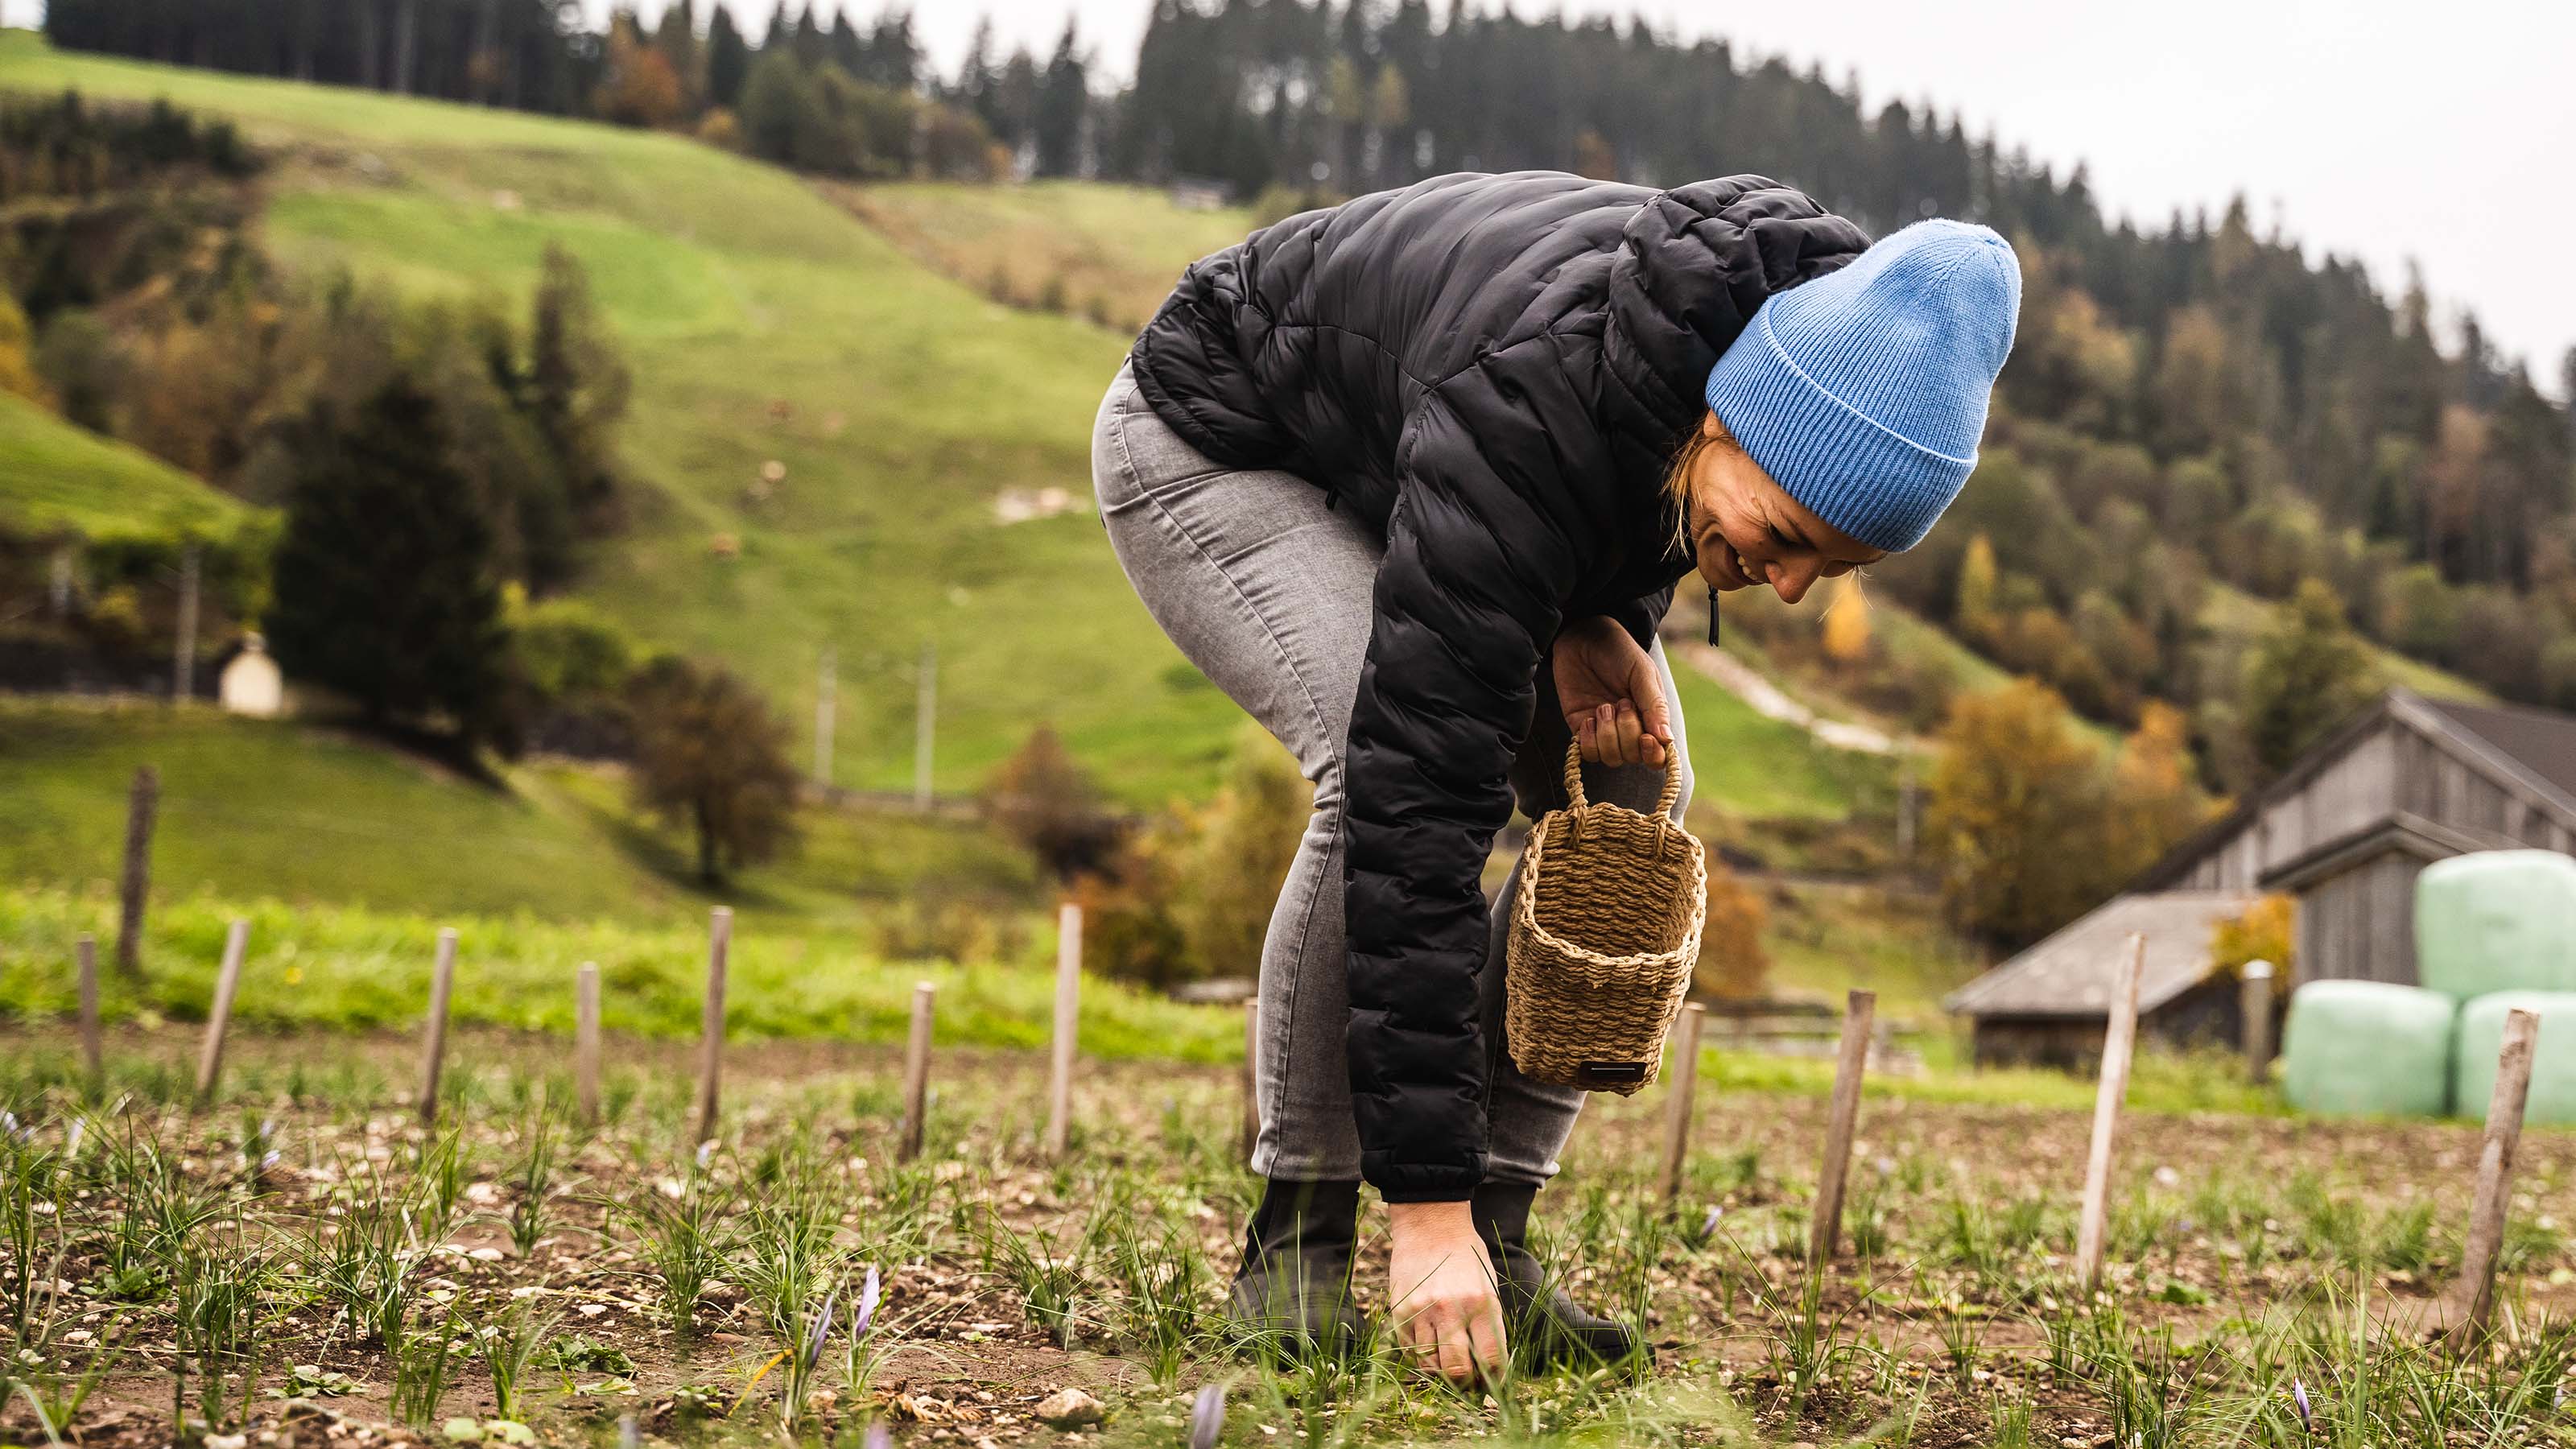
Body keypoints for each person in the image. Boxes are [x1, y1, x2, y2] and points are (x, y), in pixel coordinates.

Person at [1092, 171, 2019, 1380]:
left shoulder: (1762, 349)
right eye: (1787, 539)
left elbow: (1619, 484)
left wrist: (1596, 615)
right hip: (1220, 442)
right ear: (1734, 420)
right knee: (1368, 773)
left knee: (1631, 782)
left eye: (1828, 571)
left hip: (1417, 466)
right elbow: (1419, 799)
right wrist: (1414, 1206)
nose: (1785, 588)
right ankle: (1304, 1237)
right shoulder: (1537, 396)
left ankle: (1501, 1226)